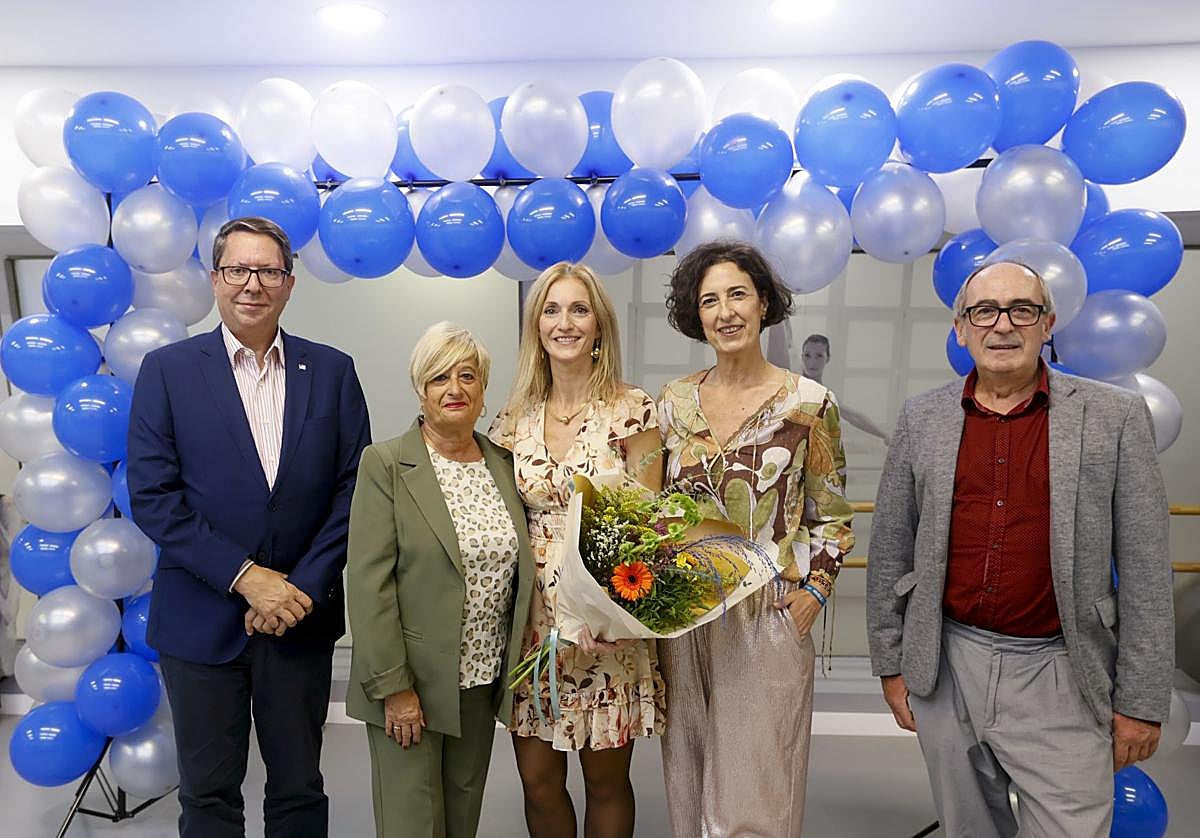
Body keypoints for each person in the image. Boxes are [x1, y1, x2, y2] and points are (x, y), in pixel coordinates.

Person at [867, 260, 1174, 838]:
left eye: (1021, 310)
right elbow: (890, 549)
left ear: (1047, 323)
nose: (1002, 325)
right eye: (984, 311)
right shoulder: (923, 418)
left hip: (1062, 668)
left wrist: (1141, 699)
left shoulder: (1113, 417)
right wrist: (891, 665)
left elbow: (1145, 569)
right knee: (969, 830)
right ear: (961, 328)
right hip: (946, 665)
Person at [127, 216, 371, 838]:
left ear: (289, 284)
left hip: (299, 619)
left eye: (267, 270)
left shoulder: (334, 371)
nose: (252, 284)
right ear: (215, 279)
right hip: (200, 623)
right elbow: (154, 498)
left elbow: (354, 492)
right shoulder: (168, 371)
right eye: (238, 269)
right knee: (208, 798)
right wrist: (247, 579)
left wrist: (297, 589)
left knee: (298, 791)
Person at [657, 241, 856, 837]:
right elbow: (654, 511)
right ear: (697, 316)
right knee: (687, 782)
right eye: (710, 300)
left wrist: (812, 594)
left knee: (759, 794)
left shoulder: (809, 404)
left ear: (764, 303)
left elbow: (832, 514)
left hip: (767, 614)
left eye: (738, 294)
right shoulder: (672, 404)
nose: (726, 312)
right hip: (685, 615)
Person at [488, 261, 665, 838]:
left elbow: (648, 522)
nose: (565, 322)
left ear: (599, 326)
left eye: (579, 309)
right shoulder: (512, 420)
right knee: (537, 779)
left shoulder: (631, 408)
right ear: (536, 325)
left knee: (605, 780)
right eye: (552, 309)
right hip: (532, 625)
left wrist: (603, 610)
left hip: (605, 618)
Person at [345, 322, 534, 838]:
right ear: (420, 390)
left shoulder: (504, 464)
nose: (455, 389)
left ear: (483, 387)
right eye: (439, 378)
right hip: (410, 685)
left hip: (480, 680)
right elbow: (368, 583)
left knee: (461, 823)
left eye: (467, 375)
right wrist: (394, 688)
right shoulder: (385, 463)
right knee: (413, 826)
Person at [800, 332, 891, 444]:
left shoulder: (826, 395)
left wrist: (884, 435)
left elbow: (853, 417)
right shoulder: (791, 386)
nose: (812, 362)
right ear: (802, 356)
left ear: (827, 358)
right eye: (807, 355)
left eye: (819, 356)